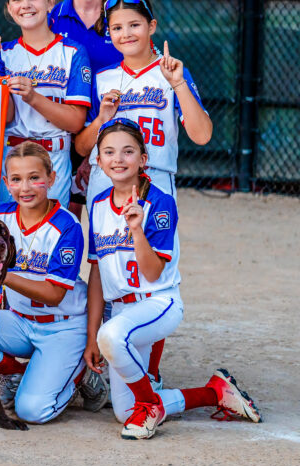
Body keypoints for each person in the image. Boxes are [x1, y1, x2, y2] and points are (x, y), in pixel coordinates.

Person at [84, 119, 260, 439]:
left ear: (143, 158)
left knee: (111, 337)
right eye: (108, 152)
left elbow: (153, 273)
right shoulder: (97, 205)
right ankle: (215, 393)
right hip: (123, 312)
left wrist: (136, 229)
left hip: (158, 302)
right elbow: (96, 273)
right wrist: (90, 335)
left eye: (128, 151)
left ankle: (150, 406)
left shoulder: (160, 202)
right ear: (98, 161)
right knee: (124, 411)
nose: (118, 159)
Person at [0, 142, 108, 423]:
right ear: (6, 183)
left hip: (62, 325)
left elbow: (54, 294)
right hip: (20, 321)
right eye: (16, 179)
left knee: (32, 411)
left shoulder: (67, 226)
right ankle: (18, 374)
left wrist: (3, 275)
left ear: (51, 179)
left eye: (35, 178)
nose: (26, 187)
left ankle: (78, 373)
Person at [74, 0, 212, 206]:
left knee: (152, 241)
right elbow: (81, 148)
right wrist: (101, 119)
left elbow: (202, 135)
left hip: (155, 176)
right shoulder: (102, 78)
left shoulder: (172, 72)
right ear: (109, 33)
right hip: (106, 180)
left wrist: (178, 84)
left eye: (134, 25)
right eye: (117, 28)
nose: (126, 33)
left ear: (152, 26)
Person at [0, 0, 91, 208]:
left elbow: (74, 123)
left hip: (54, 159)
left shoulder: (73, 52)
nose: (26, 5)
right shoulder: (4, 54)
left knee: (52, 236)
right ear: (10, 9)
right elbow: (6, 116)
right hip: (14, 158)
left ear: (50, 3)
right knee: (11, 237)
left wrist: (33, 97)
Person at [50, 0, 123, 218]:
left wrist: (94, 150)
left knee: (106, 234)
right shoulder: (51, 19)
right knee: (65, 225)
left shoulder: (124, 20)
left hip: (109, 136)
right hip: (60, 137)